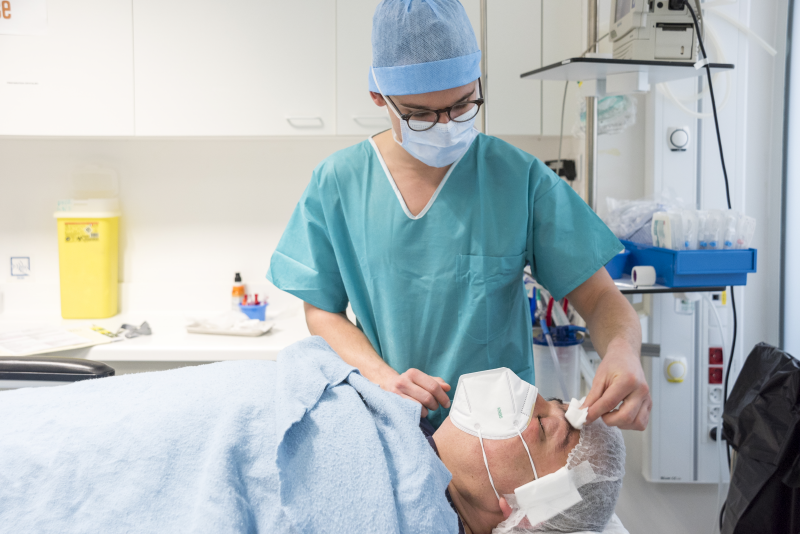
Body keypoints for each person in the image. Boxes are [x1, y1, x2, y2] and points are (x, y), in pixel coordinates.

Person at [267, 0, 650, 430]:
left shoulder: (517, 178)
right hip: (388, 425)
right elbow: (321, 309)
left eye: (463, 104)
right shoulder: (339, 183)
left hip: (500, 439)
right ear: (379, 96)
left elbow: (599, 299)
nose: (447, 125)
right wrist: (383, 379)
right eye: (421, 115)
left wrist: (622, 349)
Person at [0, 338, 625, 534]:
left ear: (513, 509)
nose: (521, 396)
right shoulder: (405, 443)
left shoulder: (394, 511)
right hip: (115, 421)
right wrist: (368, 389)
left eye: (541, 424)